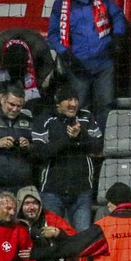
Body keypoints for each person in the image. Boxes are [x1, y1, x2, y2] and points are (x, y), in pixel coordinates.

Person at [46, 0, 125, 127]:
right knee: (79, 106)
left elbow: (117, 15)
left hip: (104, 62)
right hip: (78, 66)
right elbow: (53, 35)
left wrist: (117, 35)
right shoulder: (61, 5)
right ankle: (83, 142)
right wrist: (65, 54)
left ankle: (103, 143)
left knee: (106, 104)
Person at [29, 86, 99, 231]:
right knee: (52, 237)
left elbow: (98, 146)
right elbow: (40, 153)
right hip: (52, 190)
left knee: (81, 238)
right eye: (68, 100)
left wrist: (81, 135)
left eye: (75, 100)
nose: (73, 104)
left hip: (82, 190)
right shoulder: (44, 119)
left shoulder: (86, 117)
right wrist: (66, 138)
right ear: (58, 103)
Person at [0, 87, 34, 197]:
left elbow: (40, 149)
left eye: (19, 106)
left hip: (22, 185)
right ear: (2, 101)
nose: (14, 109)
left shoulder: (29, 121)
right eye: (11, 104)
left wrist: (28, 146)